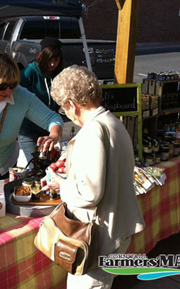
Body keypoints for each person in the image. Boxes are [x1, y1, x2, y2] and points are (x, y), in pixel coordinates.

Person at [44, 66, 145, 288]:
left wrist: (60, 184)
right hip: (116, 227)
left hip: (100, 237)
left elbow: (89, 194)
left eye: (64, 108)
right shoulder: (114, 122)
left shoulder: (91, 133)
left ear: (71, 103)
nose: (66, 113)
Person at [18, 37, 63, 168]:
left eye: (56, 60)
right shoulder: (27, 74)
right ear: (41, 56)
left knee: (51, 166)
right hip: (28, 130)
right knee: (35, 167)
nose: (52, 64)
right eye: (49, 59)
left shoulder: (59, 75)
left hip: (49, 129)